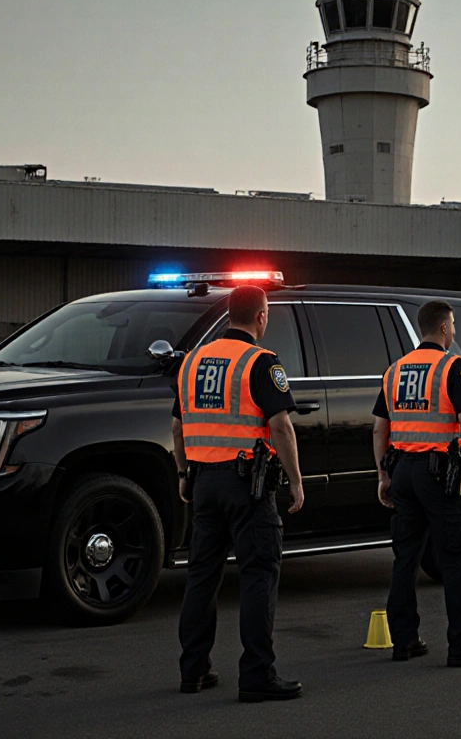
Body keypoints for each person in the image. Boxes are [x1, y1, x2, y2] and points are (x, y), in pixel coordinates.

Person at [173, 285, 307, 703]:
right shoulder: (260, 362)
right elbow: (281, 426)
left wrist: (183, 474)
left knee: (201, 577)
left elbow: (178, 427)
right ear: (261, 317)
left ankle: (194, 670)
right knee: (258, 576)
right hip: (246, 486)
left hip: (203, 482)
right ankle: (256, 675)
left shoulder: (192, 361)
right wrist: (296, 480)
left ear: (230, 313)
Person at [372, 300, 461, 667]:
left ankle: (404, 641)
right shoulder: (452, 367)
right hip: (440, 475)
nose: (454, 331)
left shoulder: (395, 370)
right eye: (453, 325)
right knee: (458, 556)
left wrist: (383, 474)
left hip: (403, 473)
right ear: (444, 328)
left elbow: (380, 427)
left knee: (405, 558)